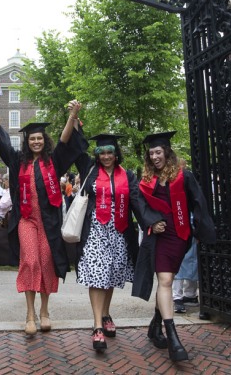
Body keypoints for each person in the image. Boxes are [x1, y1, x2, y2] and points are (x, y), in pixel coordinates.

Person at [0, 100, 83, 335]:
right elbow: (2, 143)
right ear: (27, 141)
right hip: (27, 221)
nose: (36, 141)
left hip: (49, 223)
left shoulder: (54, 161)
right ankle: (30, 314)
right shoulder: (18, 161)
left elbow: (64, 140)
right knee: (30, 262)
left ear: (44, 140)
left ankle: (45, 312)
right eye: (32, 139)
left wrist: (72, 115)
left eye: (40, 138)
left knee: (46, 264)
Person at [132, 131, 215, 363]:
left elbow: (198, 202)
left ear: (167, 152)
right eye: (151, 153)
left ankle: (155, 326)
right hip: (157, 237)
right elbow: (138, 204)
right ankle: (173, 338)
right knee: (166, 281)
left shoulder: (183, 176)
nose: (155, 156)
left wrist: (200, 231)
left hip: (178, 236)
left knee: (166, 284)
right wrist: (151, 221)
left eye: (158, 152)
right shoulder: (146, 180)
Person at [69, 132, 149, 352]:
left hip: (120, 231)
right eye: (101, 152)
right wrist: (74, 120)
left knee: (111, 274)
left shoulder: (128, 175)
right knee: (97, 275)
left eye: (109, 152)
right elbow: (77, 145)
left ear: (116, 154)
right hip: (95, 229)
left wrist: (150, 222)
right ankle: (97, 326)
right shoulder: (90, 170)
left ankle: (105, 314)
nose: (105, 156)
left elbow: (136, 201)